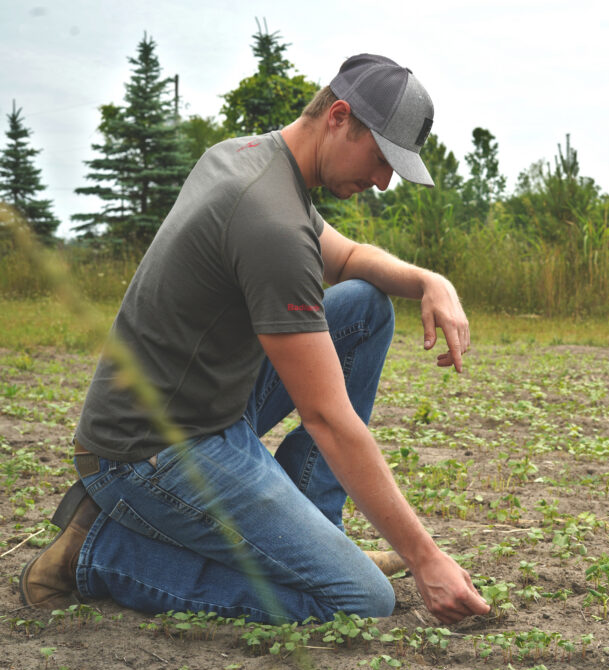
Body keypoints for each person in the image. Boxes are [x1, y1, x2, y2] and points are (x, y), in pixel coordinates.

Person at [19, 53, 490, 625]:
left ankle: (319, 531)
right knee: (359, 600)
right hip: (151, 451)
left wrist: (428, 281)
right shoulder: (271, 221)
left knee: (366, 305)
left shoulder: (248, 158)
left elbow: (346, 258)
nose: (383, 180)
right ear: (340, 117)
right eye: (382, 158)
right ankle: (98, 555)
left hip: (199, 408)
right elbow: (329, 421)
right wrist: (426, 558)